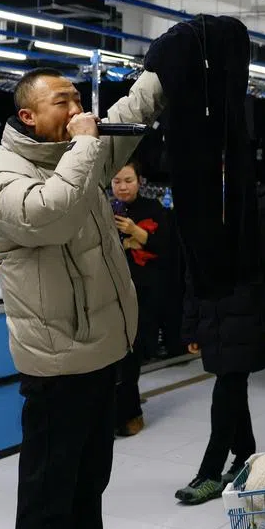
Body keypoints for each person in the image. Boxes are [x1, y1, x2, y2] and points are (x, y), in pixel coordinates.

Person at [0, 67, 165, 529]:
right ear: (28, 116)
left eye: (78, 98)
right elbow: (53, 213)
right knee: (46, 499)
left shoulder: (77, 152)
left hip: (99, 353)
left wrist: (160, 69)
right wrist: (86, 144)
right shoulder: (5, 175)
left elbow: (128, 123)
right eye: (62, 101)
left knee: (89, 484)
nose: (78, 107)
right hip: (55, 363)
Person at [175, 187, 265, 505]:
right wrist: (191, 324)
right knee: (232, 384)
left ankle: (210, 472)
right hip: (213, 315)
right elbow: (192, 271)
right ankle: (245, 454)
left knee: (227, 385)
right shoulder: (200, 208)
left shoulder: (257, 208)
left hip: (250, 315)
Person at [111, 159, 171, 437]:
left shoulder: (153, 209)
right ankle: (114, 414)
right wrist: (130, 242)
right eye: (117, 181)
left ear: (139, 181)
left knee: (131, 354)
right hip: (110, 292)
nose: (122, 187)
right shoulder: (104, 209)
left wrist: (136, 233)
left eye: (128, 180)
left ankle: (131, 414)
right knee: (112, 357)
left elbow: (167, 248)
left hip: (143, 293)